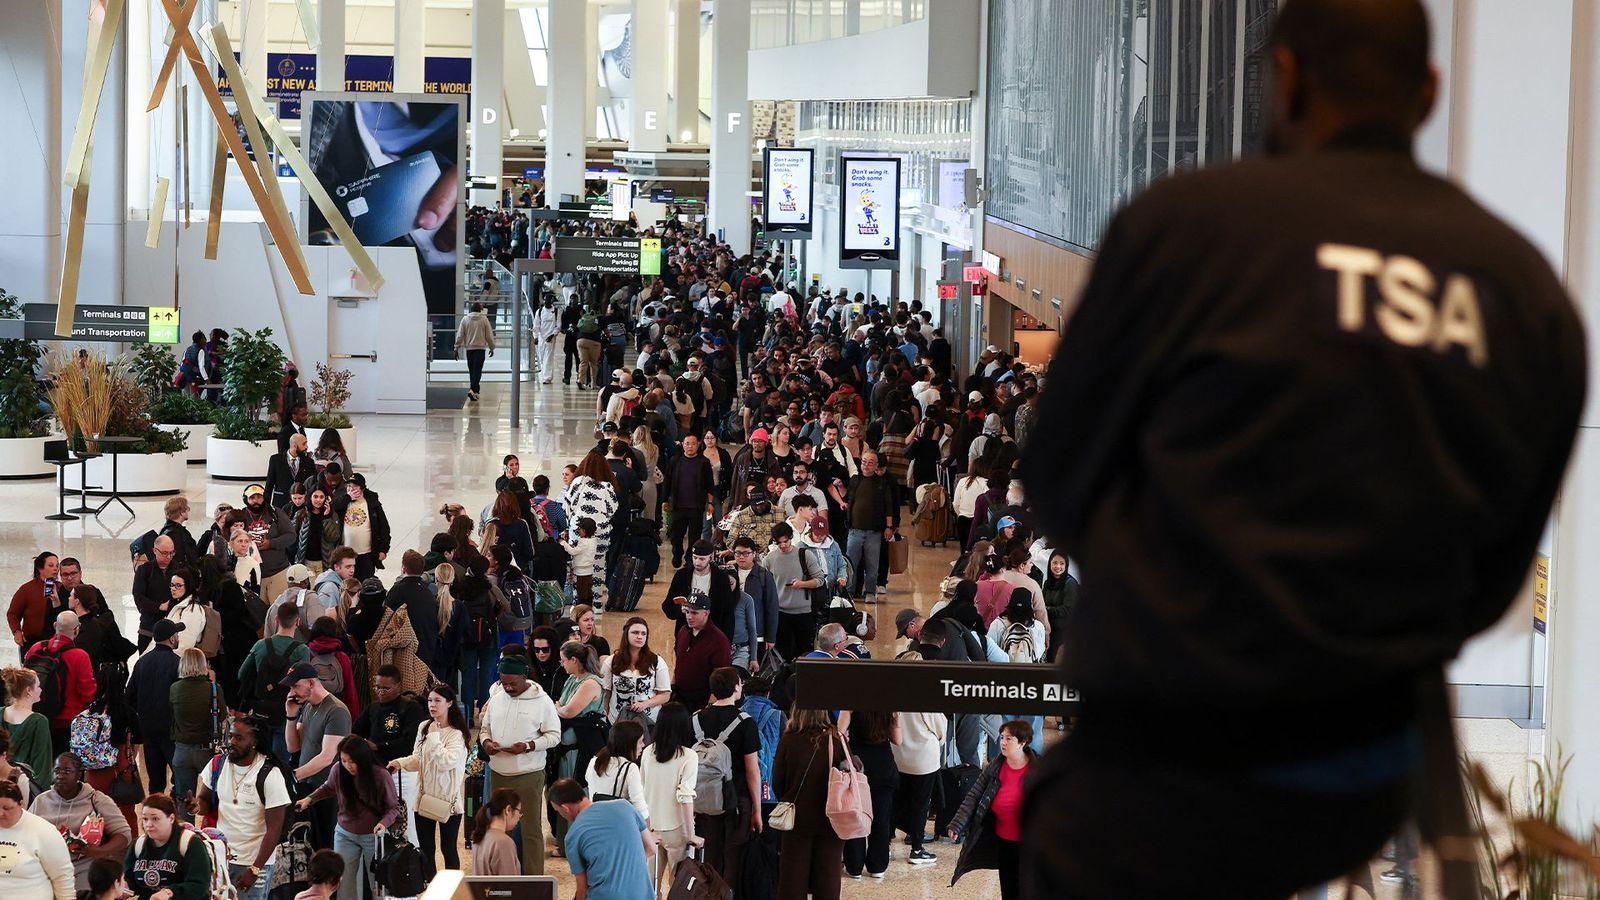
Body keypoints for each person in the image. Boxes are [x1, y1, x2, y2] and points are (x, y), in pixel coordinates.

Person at [1019, 3, 1585, 897]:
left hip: (1163, 761)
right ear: (1428, 92)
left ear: (1283, 80)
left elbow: (1056, 479)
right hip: (1355, 780)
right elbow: (1496, 573)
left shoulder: (1185, 228)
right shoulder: (1523, 291)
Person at [477, 651, 561, 875]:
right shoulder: (497, 698)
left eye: (512, 683)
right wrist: (486, 742)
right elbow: (484, 728)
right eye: (503, 683)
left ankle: (534, 880)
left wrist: (528, 746)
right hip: (499, 772)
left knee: (530, 829)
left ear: (524, 677)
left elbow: (554, 736)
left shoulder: (542, 701)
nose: (507, 688)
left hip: (528, 773)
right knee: (499, 828)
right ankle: (504, 876)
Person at [191, 716, 293, 900]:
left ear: (254, 742)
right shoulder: (217, 764)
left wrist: (255, 869)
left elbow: (274, 830)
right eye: (230, 736)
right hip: (221, 857)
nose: (231, 742)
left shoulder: (270, 775)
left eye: (239, 738)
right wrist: (196, 806)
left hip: (254, 862)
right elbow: (205, 801)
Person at [294, 736, 399, 900]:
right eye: (343, 760)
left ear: (363, 759)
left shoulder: (380, 775)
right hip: (344, 834)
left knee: (377, 884)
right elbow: (328, 787)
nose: (348, 765)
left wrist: (383, 823)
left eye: (352, 761)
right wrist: (309, 799)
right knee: (343, 884)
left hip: (373, 836)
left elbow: (393, 807)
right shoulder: (338, 769)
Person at [388, 682, 468, 881]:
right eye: (430, 700)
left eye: (438, 701)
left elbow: (446, 762)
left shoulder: (456, 734)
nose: (432, 705)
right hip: (424, 798)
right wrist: (400, 762)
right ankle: (430, 887)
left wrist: (433, 737)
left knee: (448, 848)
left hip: (448, 802)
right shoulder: (424, 726)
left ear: (449, 703)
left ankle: (453, 888)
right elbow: (419, 759)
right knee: (426, 849)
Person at [948, 719, 1036, 900]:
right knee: (1008, 888)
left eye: (1009, 739)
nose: (1002, 742)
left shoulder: (1037, 768)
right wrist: (957, 823)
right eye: (1002, 737)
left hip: (1029, 844)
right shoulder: (996, 766)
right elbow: (974, 795)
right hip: (1003, 842)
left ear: (1023, 742)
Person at [692, 668, 762, 885]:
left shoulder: (695, 719)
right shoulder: (746, 722)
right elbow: (752, 770)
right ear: (736, 687)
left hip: (702, 801)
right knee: (733, 861)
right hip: (736, 800)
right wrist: (757, 809)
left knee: (708, 860)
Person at [29, 753, 131, 893]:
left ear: (79, 775)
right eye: (57, 771)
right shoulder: (41, 801)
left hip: (83, 866)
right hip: (46, 867)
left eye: (67, 771)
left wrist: (101, 851)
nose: (60, 775)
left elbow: (124, 835)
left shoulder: (96, 799)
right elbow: (25, 832)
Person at [771, 707, 845, 900]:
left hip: (797, 819)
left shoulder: (789, 740)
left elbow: (777, 781)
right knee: (828, 877)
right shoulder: (836, 740)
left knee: (793, 879)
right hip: (831, 818)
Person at [282, 661, 352, 850]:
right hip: (307, 787)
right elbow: (293, 747)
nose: (292, 692)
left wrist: (292, 776)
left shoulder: (336, 711)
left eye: (296, 686)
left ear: (311, 683)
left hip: (327, 789)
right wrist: (290, 716)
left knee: (325, 846)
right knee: (307, 844)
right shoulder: (308, 707)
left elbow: (327, 757)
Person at [549, 778, 656, 900]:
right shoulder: (625, 806)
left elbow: (582, 888)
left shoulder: (573, 836)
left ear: (565, 808)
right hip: (643, 895)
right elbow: (652, 848)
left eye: (558, 811)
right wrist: (626, 862)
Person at [891, 651, 945, 868]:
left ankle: (886, 843)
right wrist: (939, 740)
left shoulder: (894, 692)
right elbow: (939, 726)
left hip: (899, 755)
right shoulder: (926, 693)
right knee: (921, 804)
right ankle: (916, 848)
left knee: (897, 801)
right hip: (924, 758)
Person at [640, 703, 700, 887]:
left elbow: (642, 789)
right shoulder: (689, 756)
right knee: (678, 886)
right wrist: (691, 835)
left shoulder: (648, 752)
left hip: (651, 826)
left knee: (650, 884)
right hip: (677, 828)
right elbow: (685, 797)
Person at [122, 620, 183, 793]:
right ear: (172, 639)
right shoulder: (177, 663)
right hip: (171, 730)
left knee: (155, 782)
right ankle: (175, 806)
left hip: (148, 729)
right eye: (177, 635)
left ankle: (155, 806)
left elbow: (129, 696)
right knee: (179, 778)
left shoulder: (142, 662)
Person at [23, 612, 96, 756]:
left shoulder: (36, 648)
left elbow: (24, 677)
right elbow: (87, 693)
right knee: (63, 763)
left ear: (55, 625)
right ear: (76, 630)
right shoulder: (80, 656)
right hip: (66, 723)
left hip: (36, 716)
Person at [842, 710, 898, 880]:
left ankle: (854, 866)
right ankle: (878, 866)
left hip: (858, 767)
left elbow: (840, 734)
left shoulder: (851, 705)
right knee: (881, 819)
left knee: (856, 815)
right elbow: (898, 740)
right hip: (884, 766)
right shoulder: (889, 707)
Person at [0, 778, 74, 900]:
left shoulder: (44, 831)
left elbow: (62, 876)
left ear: (21, 804)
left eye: (7, 808)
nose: (0, 814)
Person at [126, 795, 210, 900]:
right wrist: (122, 888)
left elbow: (200, 885)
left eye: (155, 819)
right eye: (145, 819)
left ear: (171, 818)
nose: (148, 824)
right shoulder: (138, 844)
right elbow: (129, 880)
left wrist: (170, 892)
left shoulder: (190, 842)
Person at [167, 649, 217, 815]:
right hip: (207, 750)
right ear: (203, 665)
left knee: (184, 800)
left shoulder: (175, 688)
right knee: (212, 797)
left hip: (182, 750)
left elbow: (171, 715)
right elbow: (222, 715)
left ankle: (186, 829)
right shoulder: (213, 689)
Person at [600, 618, 671, 728]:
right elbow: (606, 693)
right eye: (635, 632)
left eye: (643, 633)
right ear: (626, 634)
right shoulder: (611, 661)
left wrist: (645, 704)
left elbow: (665, 695)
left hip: (648, 722)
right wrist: (604, 717)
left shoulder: (657, 661)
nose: (640, 636)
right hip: (617, 721)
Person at [669, 593, 730, 713]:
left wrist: (711, 704)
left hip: (702, 701)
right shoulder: (683, 631)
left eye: (694, 613)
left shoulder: (719, 640)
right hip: (680, 697)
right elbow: (679, 663)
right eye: (687, 612)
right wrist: (672, 686)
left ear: (706, 613)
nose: (689, 617)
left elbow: (721, 675)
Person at [662, 434, 714, 568]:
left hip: (696, 506)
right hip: (678, 505)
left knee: (694, 535)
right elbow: (667, 481)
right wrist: (665, 500)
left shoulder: (704, 462)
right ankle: (677, 553)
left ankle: (690, 559)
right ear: (682, 445)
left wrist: (710, 503)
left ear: (698, 445)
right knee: (676, 534)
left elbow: (710, 484)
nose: (690, 446)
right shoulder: (675, 461)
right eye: (687, 443)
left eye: (693, 444)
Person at [584, 720, 648, 824]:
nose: (643, 745)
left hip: (595, 821)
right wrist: (648, 829)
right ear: (629, 744)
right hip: (618, 824)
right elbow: (639, 805)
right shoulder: (630, 768)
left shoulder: (594, 762)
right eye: (640, 742)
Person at [331, 475, 390, 582]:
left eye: (354, 487)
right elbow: (333, 507)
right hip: (346, 555)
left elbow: (384, 527)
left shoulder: (372, 503)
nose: (351, 489)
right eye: (349, 486)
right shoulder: (344, 500)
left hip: (366, 554)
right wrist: (348, 498)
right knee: (347, 584)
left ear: (362, 488)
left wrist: (383, 549)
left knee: (365, 583)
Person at [10, 553, 61, 650]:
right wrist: (17, 631)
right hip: (31, 641)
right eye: (51, 565)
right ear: (40, 568)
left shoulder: (61, 587)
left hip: (56, 640)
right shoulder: (27, 589)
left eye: (57, 566)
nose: (56, 569)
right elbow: (13, 613)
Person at [467, 789, 523, 876]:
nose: (520, 816)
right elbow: (508, 882)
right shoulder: (504, 843)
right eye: (519, 811)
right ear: (508, 810)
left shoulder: (481, 835)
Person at [455, 301, 495, 401]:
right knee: (477, 371)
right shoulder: (484, 320)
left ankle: (474, 391)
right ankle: (473, 390)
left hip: (470, 349)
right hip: (480, 349)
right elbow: (489, 335)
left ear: (471, 309)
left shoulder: (465, 319)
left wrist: (456, 347)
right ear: (480, 310)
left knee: (472, 371)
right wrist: (492, 347)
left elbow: (460, 335)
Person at [268, 435, 316, 510]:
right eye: (304, 444)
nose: (306, 447)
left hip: (302, 506)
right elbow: (269, 485)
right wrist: (266, 508)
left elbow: (313, 485)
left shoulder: (309, 462)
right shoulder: (275, 460)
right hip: (280, 504)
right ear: (294, 445)